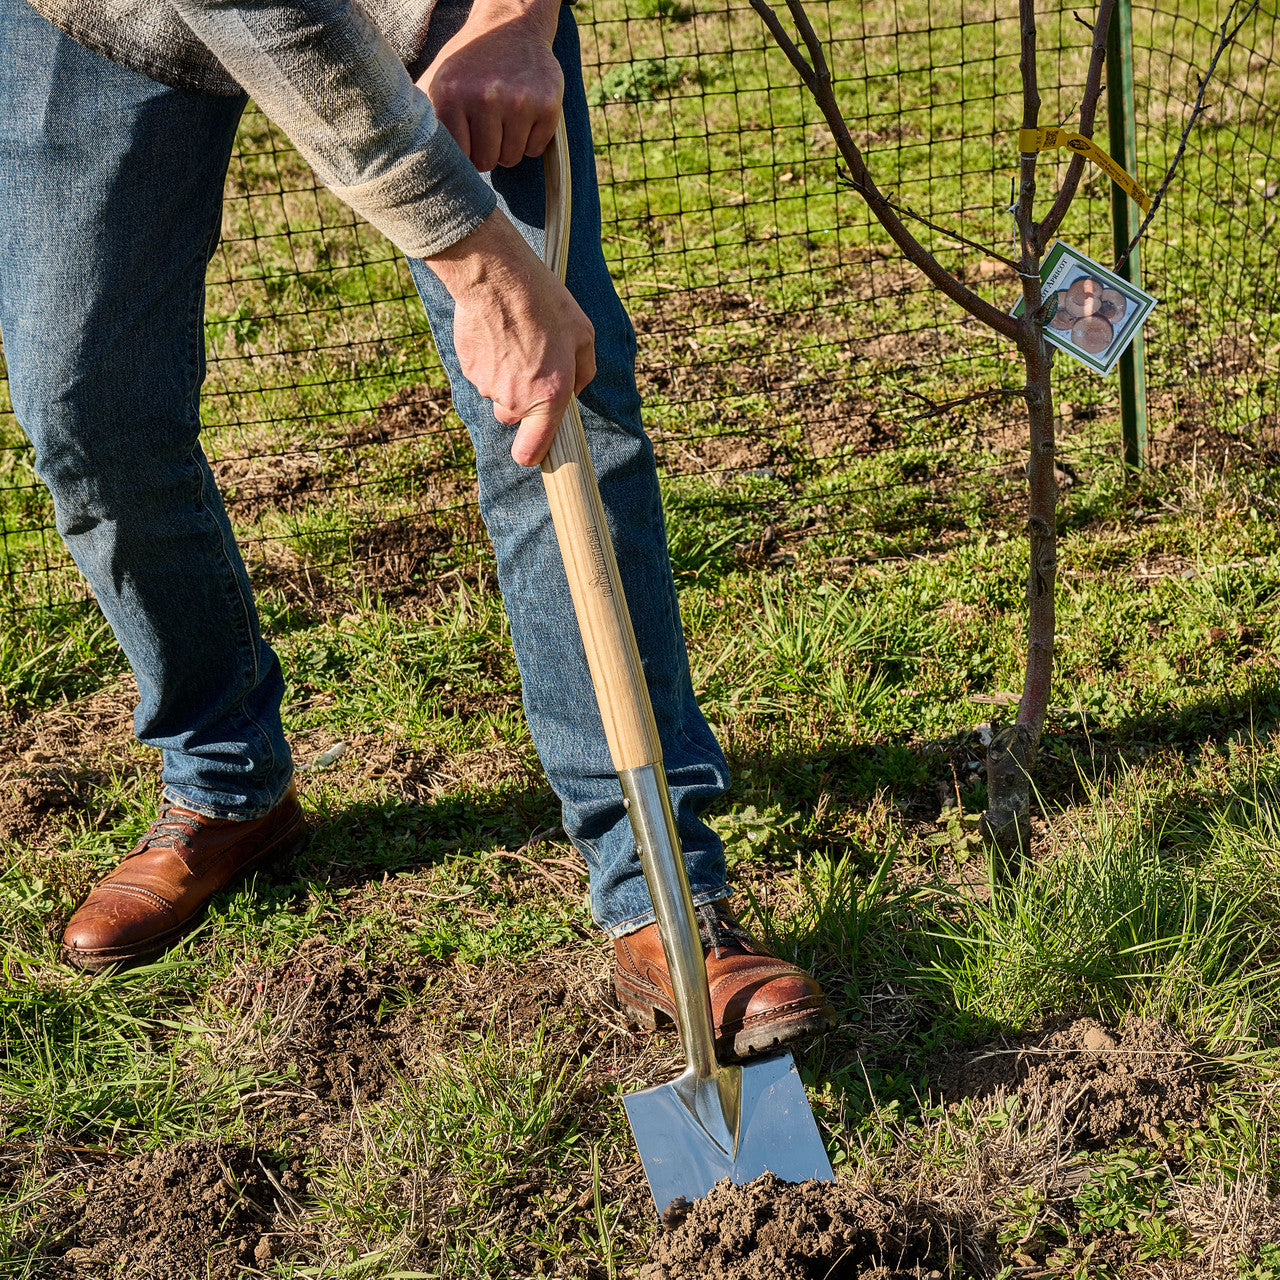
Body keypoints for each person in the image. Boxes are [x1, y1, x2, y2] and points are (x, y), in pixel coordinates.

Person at [0, 0, 835, 1058]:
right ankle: (227, 782)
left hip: (440, 13)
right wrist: (473, 254)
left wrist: (516, 20)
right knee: (86, 407)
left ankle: (659, 891)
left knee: (553, 402)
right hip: (100, 21)